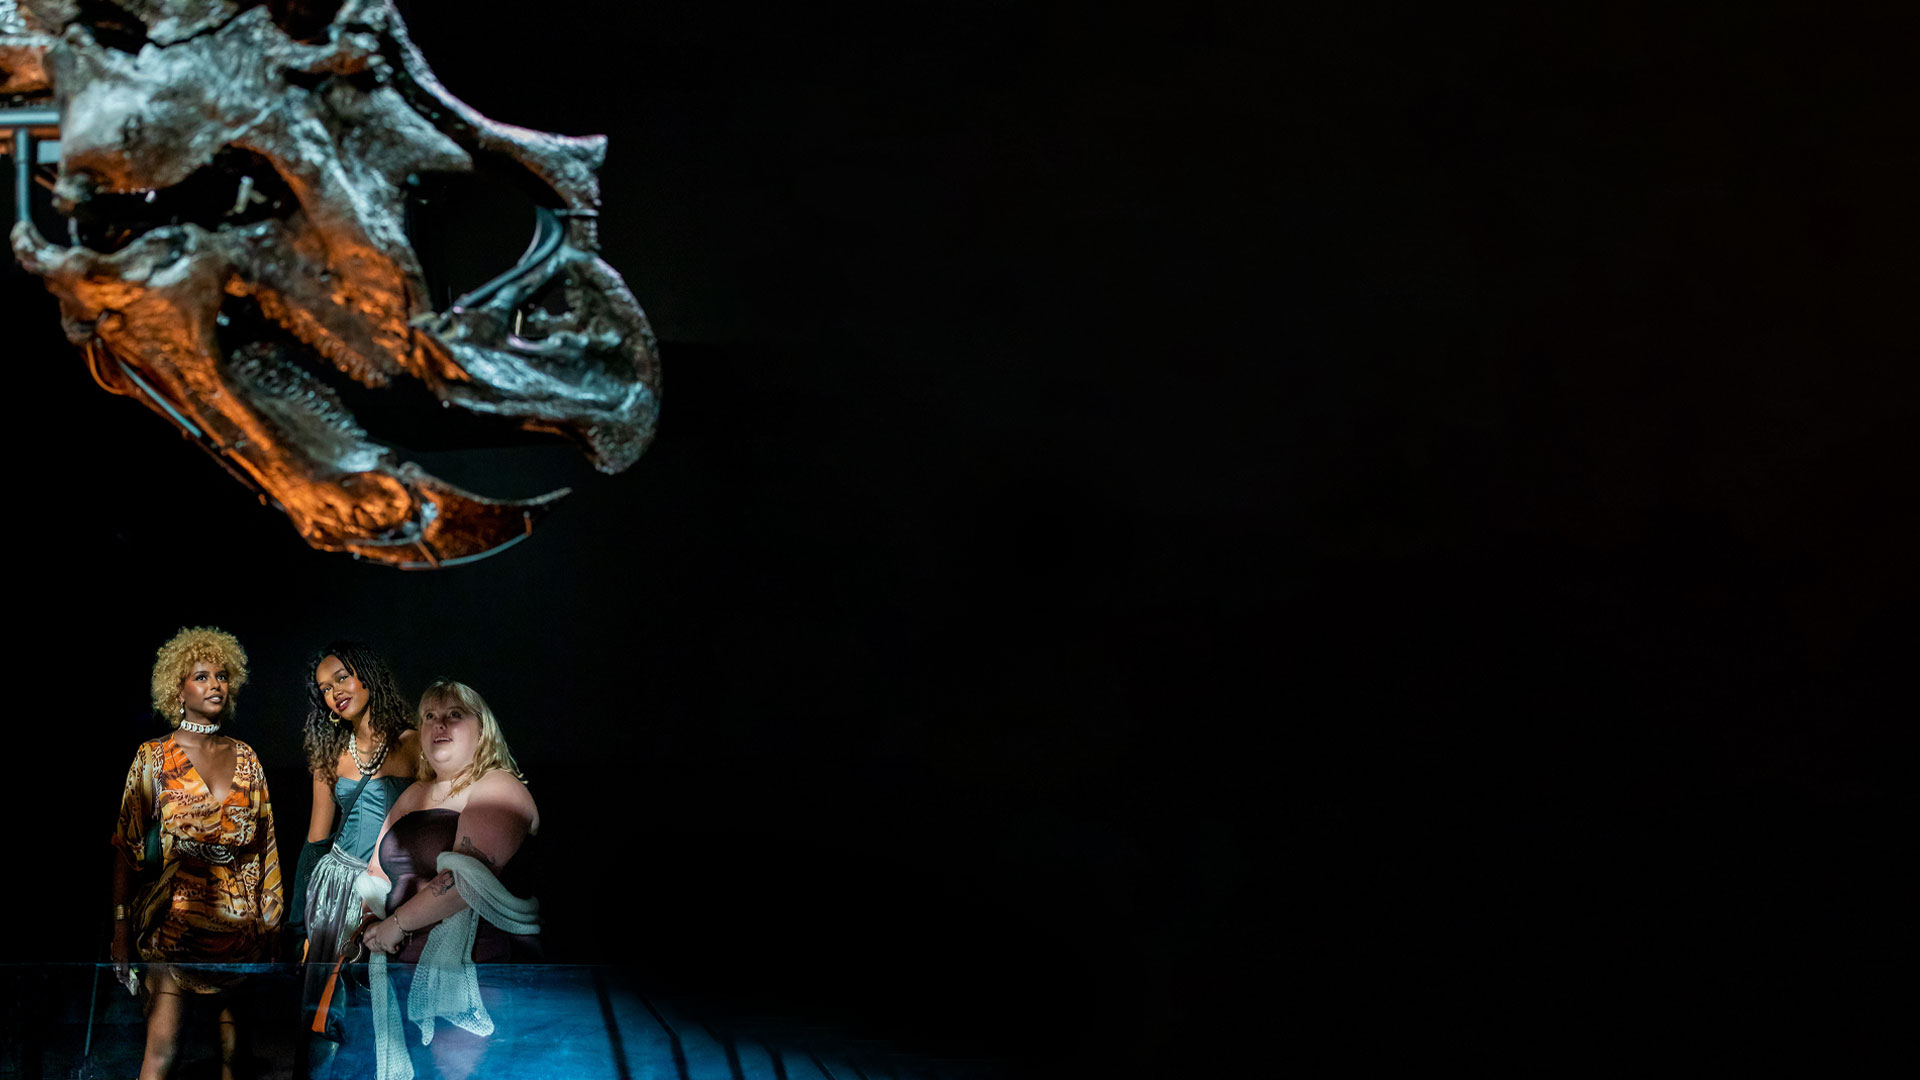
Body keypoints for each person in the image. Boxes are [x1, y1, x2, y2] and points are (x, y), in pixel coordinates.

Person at [110, 627, 283, 1080]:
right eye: (202, 676)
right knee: (162, 1053)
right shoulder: (153, 757)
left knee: (234, 1058)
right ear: (177, 689)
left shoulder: (247, 757)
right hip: (176, 924)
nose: (216, 685)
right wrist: (122, 929)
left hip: (241, 927)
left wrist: (269, 923)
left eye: (222, 676)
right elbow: (125, 848)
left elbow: (265, 846)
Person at [356, 679, 540, 1079]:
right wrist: (370, 921)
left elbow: (467, 879)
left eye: (454, 715)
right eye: (429, 717)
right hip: (399, 971)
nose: (439, 724)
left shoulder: (498, 786)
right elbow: (374, 872)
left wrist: (395, 925)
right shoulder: (413, 795)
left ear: (483, 729)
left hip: (477, 975)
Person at [292, 642, 420, 1048]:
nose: (335, 691)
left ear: (368, 678)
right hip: (335, 893)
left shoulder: (414, 744)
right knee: (329, 1015)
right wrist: (297, 923)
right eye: (325, 688)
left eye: (342, 678)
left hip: (393, 889)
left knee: (385, 1011)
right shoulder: (328, 753)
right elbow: (316, 840)